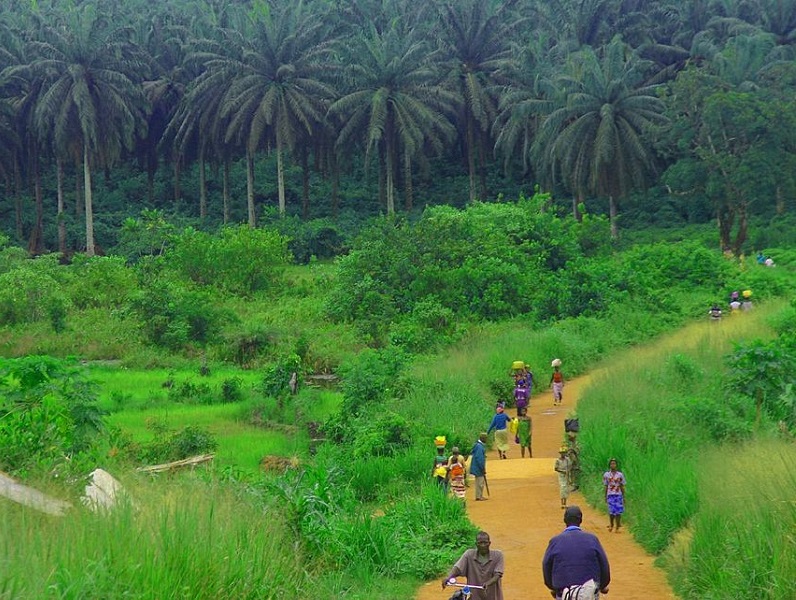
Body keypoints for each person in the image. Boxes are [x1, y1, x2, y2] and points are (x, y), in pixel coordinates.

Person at [542, 506, 611, 600]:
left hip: (564, 593)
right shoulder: (592, 539)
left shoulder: (555, 541)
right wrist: (602, 586)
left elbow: (546, 566)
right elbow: (604, 566)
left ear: (565, 520)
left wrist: (554, 587)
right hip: (589, 593)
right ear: (580, 520)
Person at [442, 530, 504, 600]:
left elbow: (498, 574)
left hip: (493, 596)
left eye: (485, 543)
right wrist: (448, 577)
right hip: (474, 596)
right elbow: (458, 568)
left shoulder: (498, 555)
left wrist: (488, 583)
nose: (483, 545)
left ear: (489, 543)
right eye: (480, 543)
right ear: (476, 544)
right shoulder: (469, 555)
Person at [603, 458, 626, 532]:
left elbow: (622, 486)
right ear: (609, 465)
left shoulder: (620, 475)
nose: (613, 465)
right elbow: (606, 486)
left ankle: (617, 526)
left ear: (616, 465)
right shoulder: (606, 475)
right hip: (610, 494)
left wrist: (624, 496)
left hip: (618, 494)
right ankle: (611, 524)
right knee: (611, 511)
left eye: (614, 464)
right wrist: (605, 496)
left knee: (618, 511)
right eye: (611, 464)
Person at [469, 433, 488, 501]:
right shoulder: (480, 447)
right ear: (483, 439)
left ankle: (478, 495)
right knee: (480, 482)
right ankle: (479, 496)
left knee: (478, 481)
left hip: (476, 466)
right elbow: (479, 458)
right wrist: (482, 468)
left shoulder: (478, 445)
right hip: (478, 467)